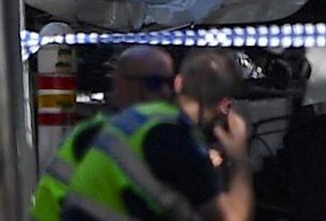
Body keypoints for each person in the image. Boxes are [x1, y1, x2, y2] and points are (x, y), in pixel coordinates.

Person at [62, 49, 252, 221]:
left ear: (178, 83)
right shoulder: (175, 139)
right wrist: (239, 157)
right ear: (225, 105)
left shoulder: (137, 121)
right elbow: (233, 217)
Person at [30, 46, 177, 221]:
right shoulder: (101, 136)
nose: (165, 92)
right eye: (153, 83)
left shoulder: (149, 133)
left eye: (170, 83)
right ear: (122, 85)